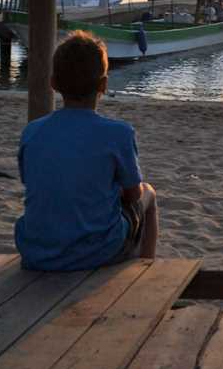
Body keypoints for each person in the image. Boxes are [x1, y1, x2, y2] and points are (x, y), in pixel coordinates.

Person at [14, 32, 158, 270]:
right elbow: (133, 195)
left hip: (35, 251)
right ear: (103, 84)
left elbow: (32, 180)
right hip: (96, 250)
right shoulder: (118, 133)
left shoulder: (32, 132)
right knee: (149, 194)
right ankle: (146, 271)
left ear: (53, 83)